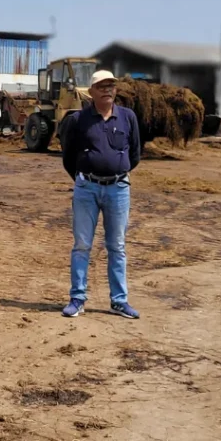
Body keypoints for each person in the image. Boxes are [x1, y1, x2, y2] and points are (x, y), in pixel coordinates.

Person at [60, 69, 140, 319]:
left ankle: (119, 301)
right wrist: (85, 180)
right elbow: (68, 156)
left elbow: (135, 153)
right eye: (102, 86)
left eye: (111, 86)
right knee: (82, 245)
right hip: (86, 189)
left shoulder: (128, 118)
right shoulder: (78, 120)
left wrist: (116, 172)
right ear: (91, 91)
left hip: (118, 189)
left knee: (117, 246)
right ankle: (77, 299)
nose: (107, 90)